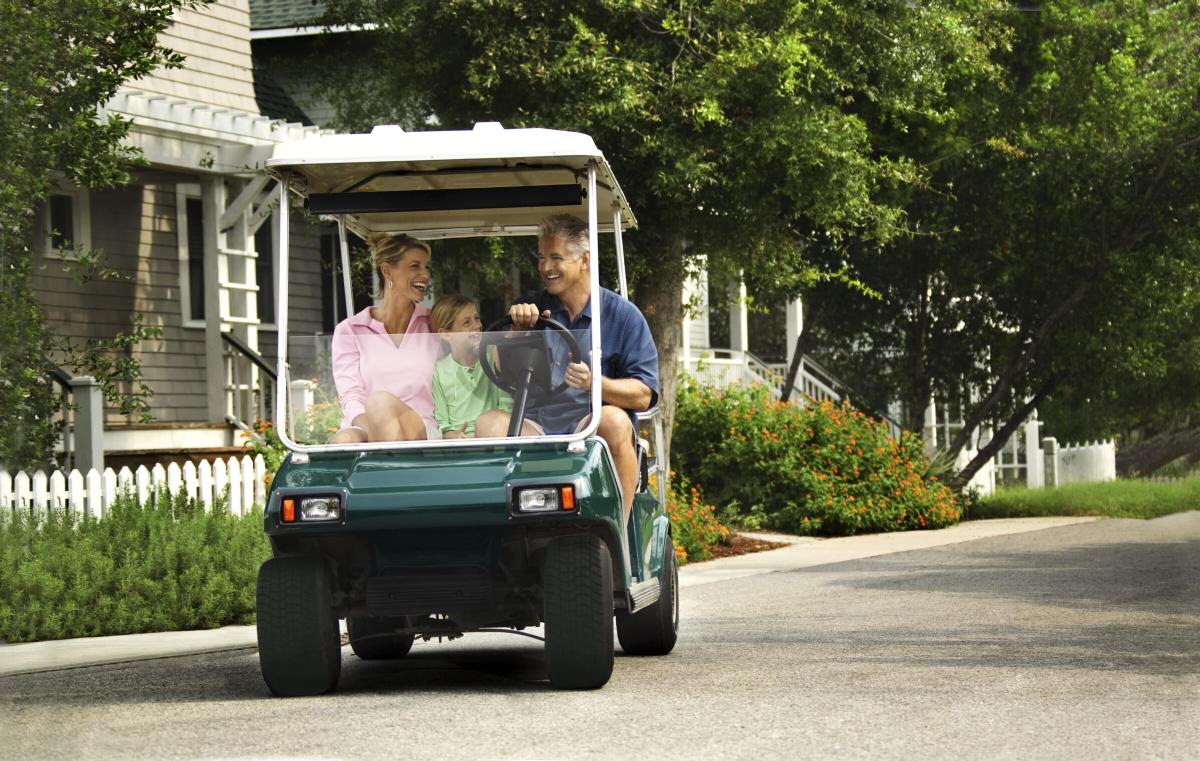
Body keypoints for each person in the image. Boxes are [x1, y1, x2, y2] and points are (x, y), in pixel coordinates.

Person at [475, 214, 658, 522]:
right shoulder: (530, 307)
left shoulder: (623, 316)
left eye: (556, 258)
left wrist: (595, 384)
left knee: (614, 420)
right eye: (541, 257)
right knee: (487, 423)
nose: (545, 267)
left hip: (589, 425)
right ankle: (500, 532)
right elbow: (500, 373)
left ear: (584, 260)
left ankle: (620, 532)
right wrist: (516, 333)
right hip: (537, 424)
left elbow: (644, 395)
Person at [328, 233, 441, 443]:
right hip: (370, 426)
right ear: (387, 271)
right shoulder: (350, 330)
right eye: (415, 266)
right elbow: (351, 396)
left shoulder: (433, 324)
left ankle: (384, 460)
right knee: (344, 440)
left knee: (380, 402)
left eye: (426, 267)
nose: (425, 274)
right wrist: (377, 430)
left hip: (422, 428)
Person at [429, 294, 514, 438]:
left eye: (477, 318)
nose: (476, 326)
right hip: (461, 444)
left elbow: (506, 407)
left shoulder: (493, 355)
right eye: (467, 322)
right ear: (446, 334)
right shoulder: (440, 371)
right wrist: (453, 436)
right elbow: (442, 422)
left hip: (494, 437)